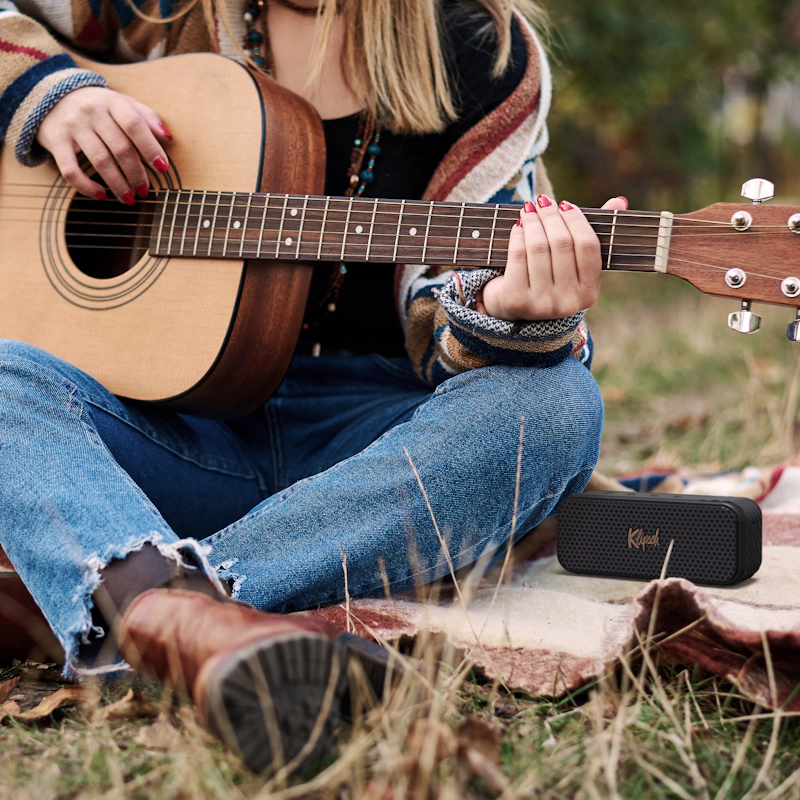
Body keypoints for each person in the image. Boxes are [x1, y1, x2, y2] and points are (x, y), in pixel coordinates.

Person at [0, 0, 625, 773]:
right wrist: (50, 95)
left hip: (368, 457)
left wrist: (503, 307)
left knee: (555, 406)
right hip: (174, 434)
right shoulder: (158, 10)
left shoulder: (479, 51)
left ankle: (149, 611)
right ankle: (190, 621)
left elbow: (453, 299)